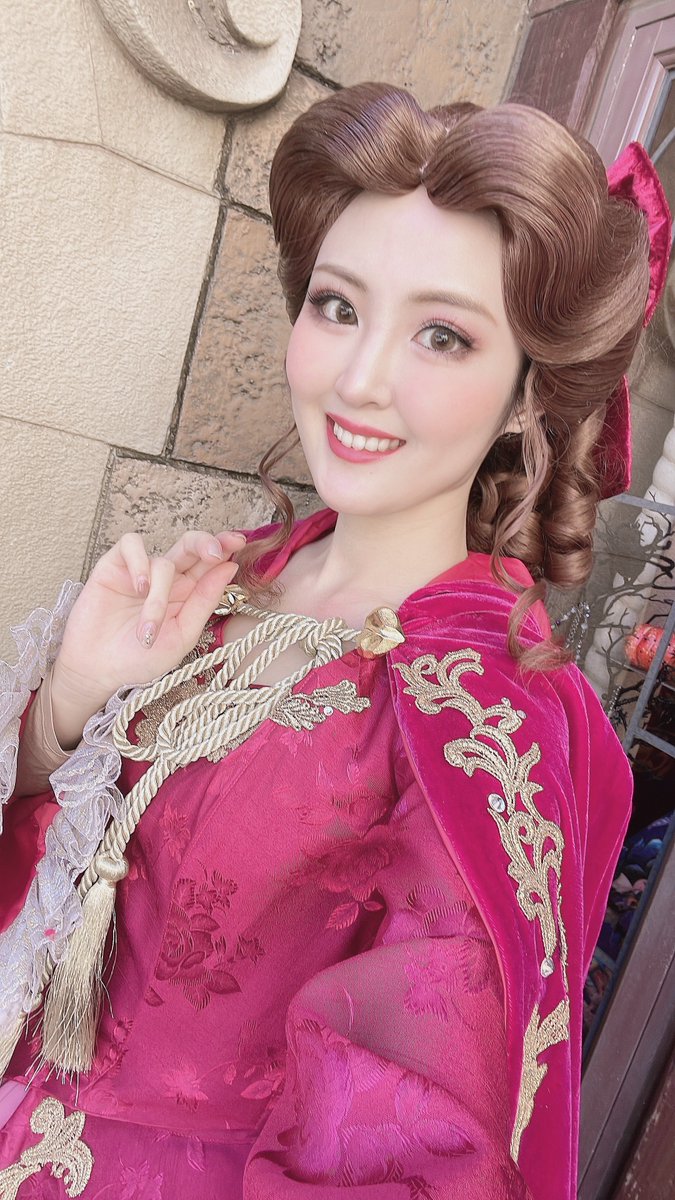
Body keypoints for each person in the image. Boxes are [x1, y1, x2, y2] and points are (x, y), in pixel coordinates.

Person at [0, 83, 669, 1200]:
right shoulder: (228, 583)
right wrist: (72, 700)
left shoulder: (487, 719)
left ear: (526, 393)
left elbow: (417, 1147)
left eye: (442, 335)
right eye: (338, 306)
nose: (359, 380)